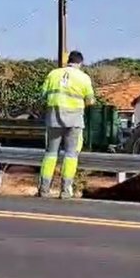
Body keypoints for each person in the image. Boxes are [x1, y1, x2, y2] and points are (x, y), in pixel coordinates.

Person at [37, 50, 96, 199]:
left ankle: (44, 189)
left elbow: (42, 95)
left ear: (68, 61)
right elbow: (90, 100)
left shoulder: (53, 74)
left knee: (50, 154)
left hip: (53, 119)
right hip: (74, 121)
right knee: (71, 155)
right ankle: (65, 191)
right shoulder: (83, 78)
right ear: (80, 63)